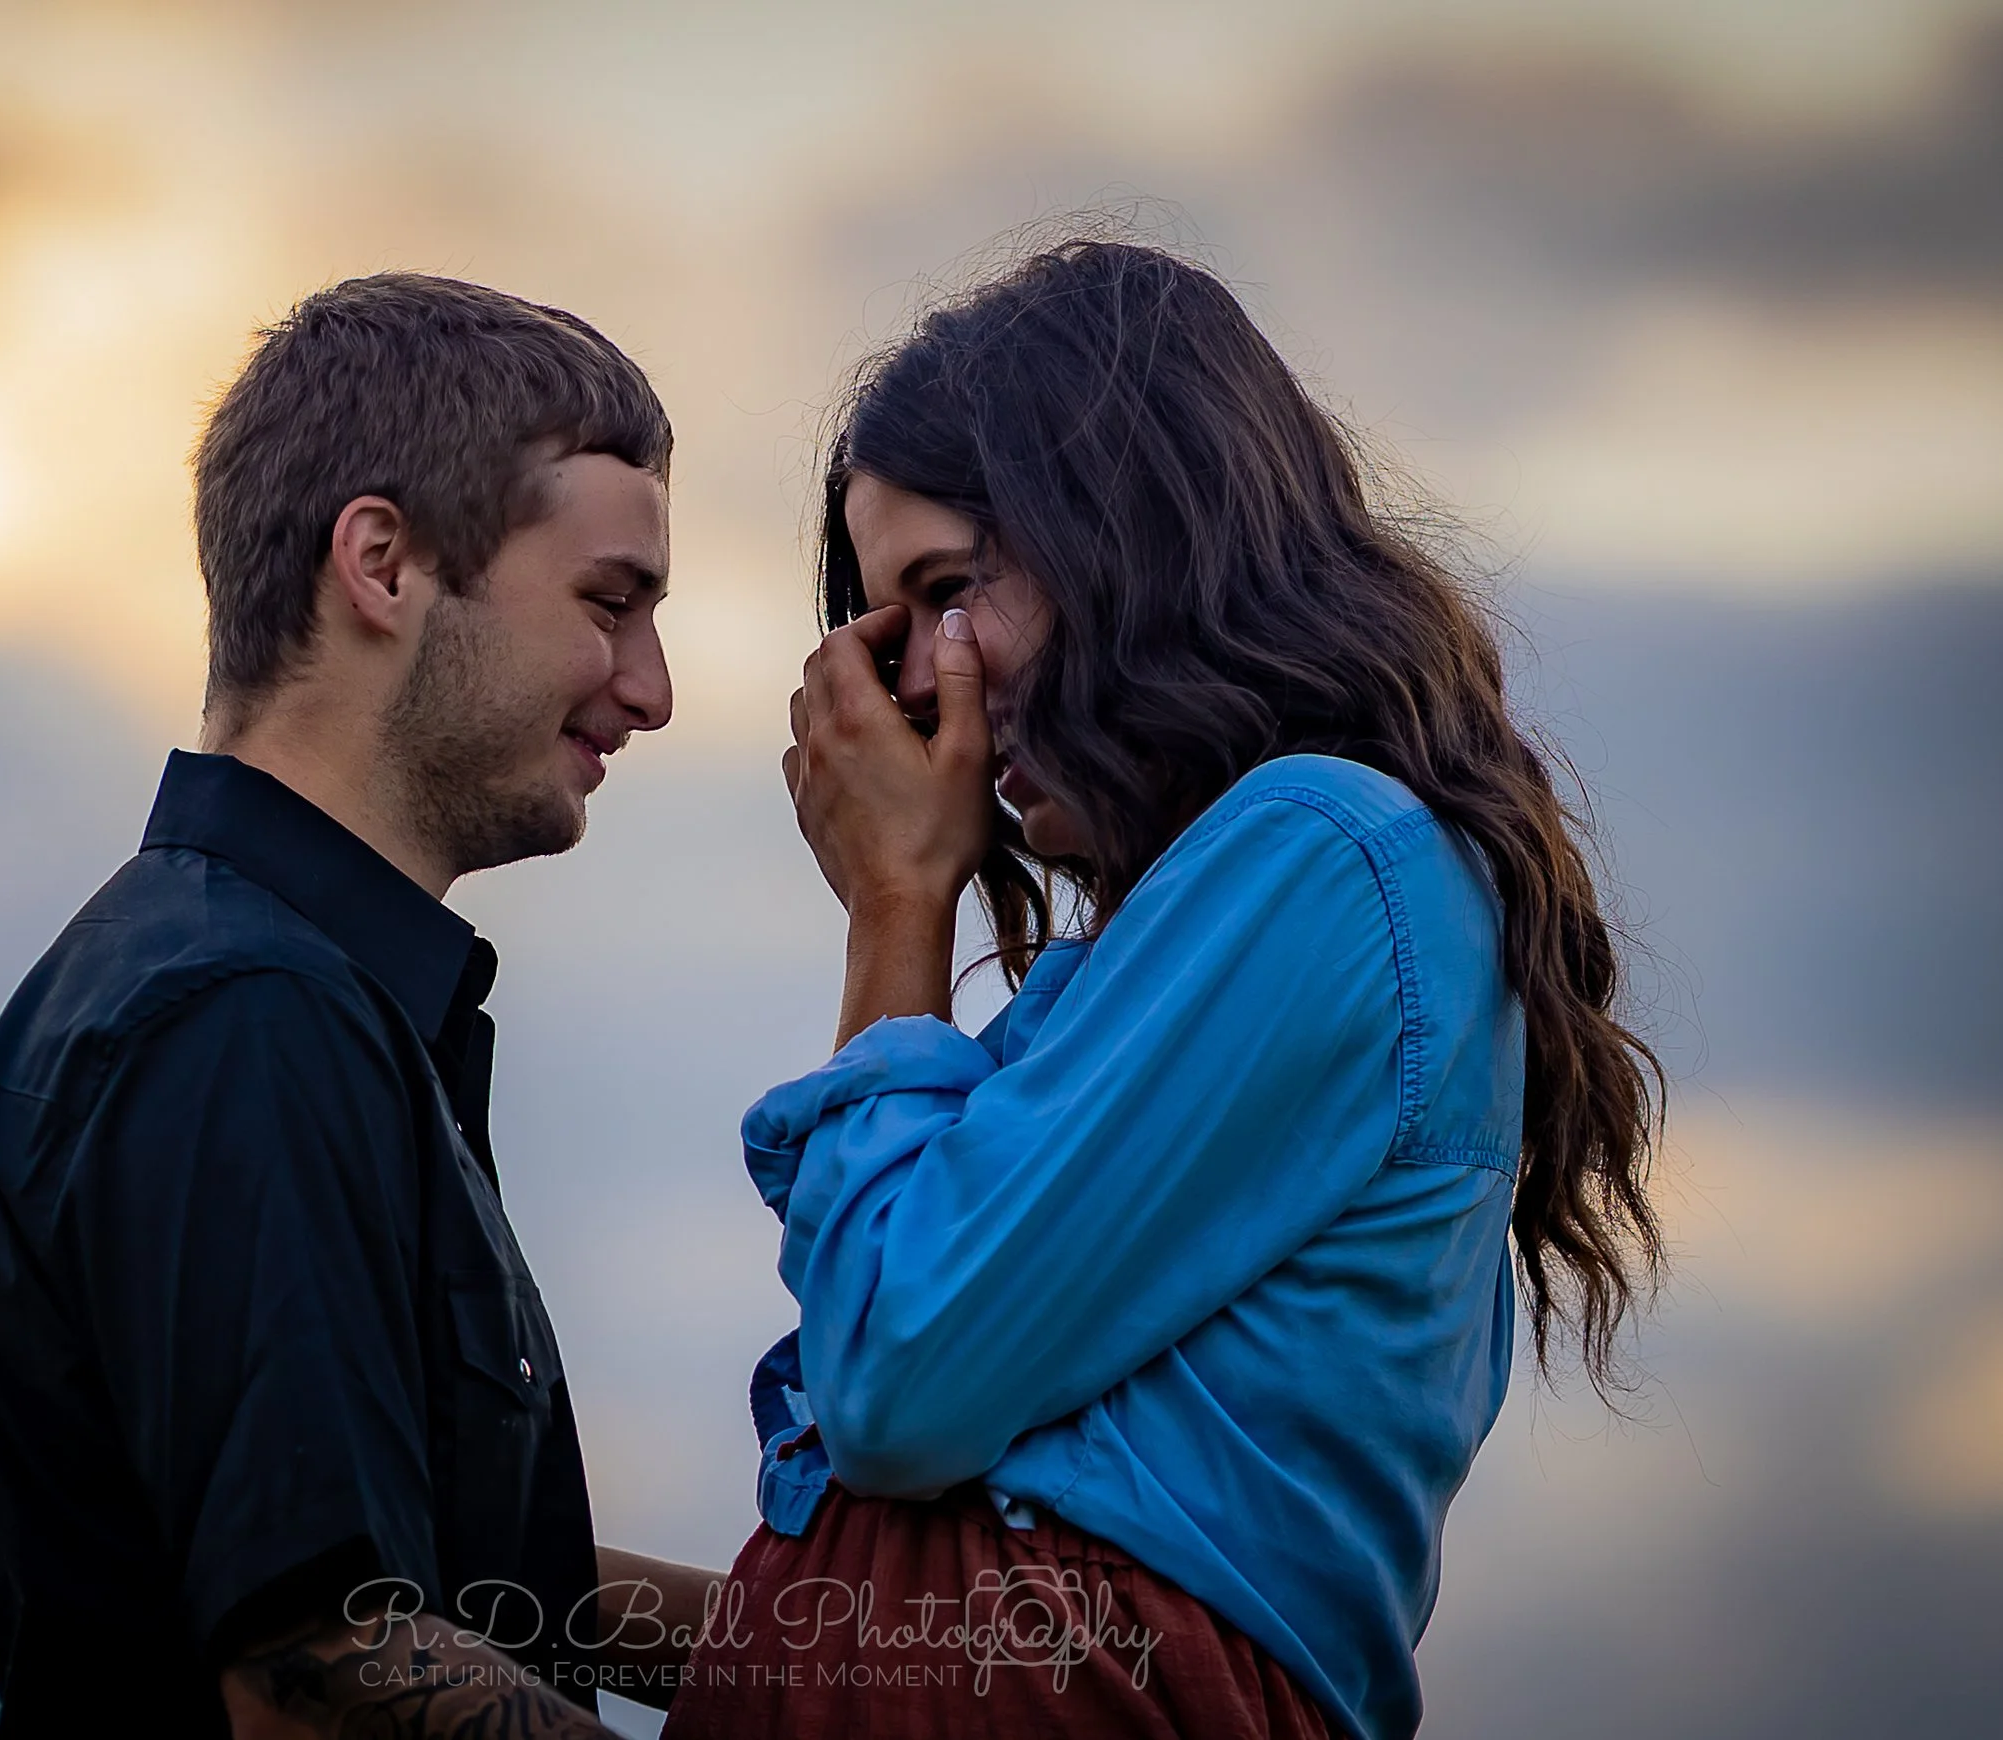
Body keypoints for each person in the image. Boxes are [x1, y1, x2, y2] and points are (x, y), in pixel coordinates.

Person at [665, 241, 1664, 1740]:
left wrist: (896, 905)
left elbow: (898, 1374)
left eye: (950, 592)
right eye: (885, 630)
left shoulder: (1324, 853)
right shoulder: (1186, 936)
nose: (921, 683)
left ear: (1131, 536)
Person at [0, 273, 720, 1740]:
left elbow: (436, 1564)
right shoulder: (245, 1016)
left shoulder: (247, 986)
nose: (651, 688)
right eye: (609, 605)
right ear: (384, 566)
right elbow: (328, 1669)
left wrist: (879, 1667)